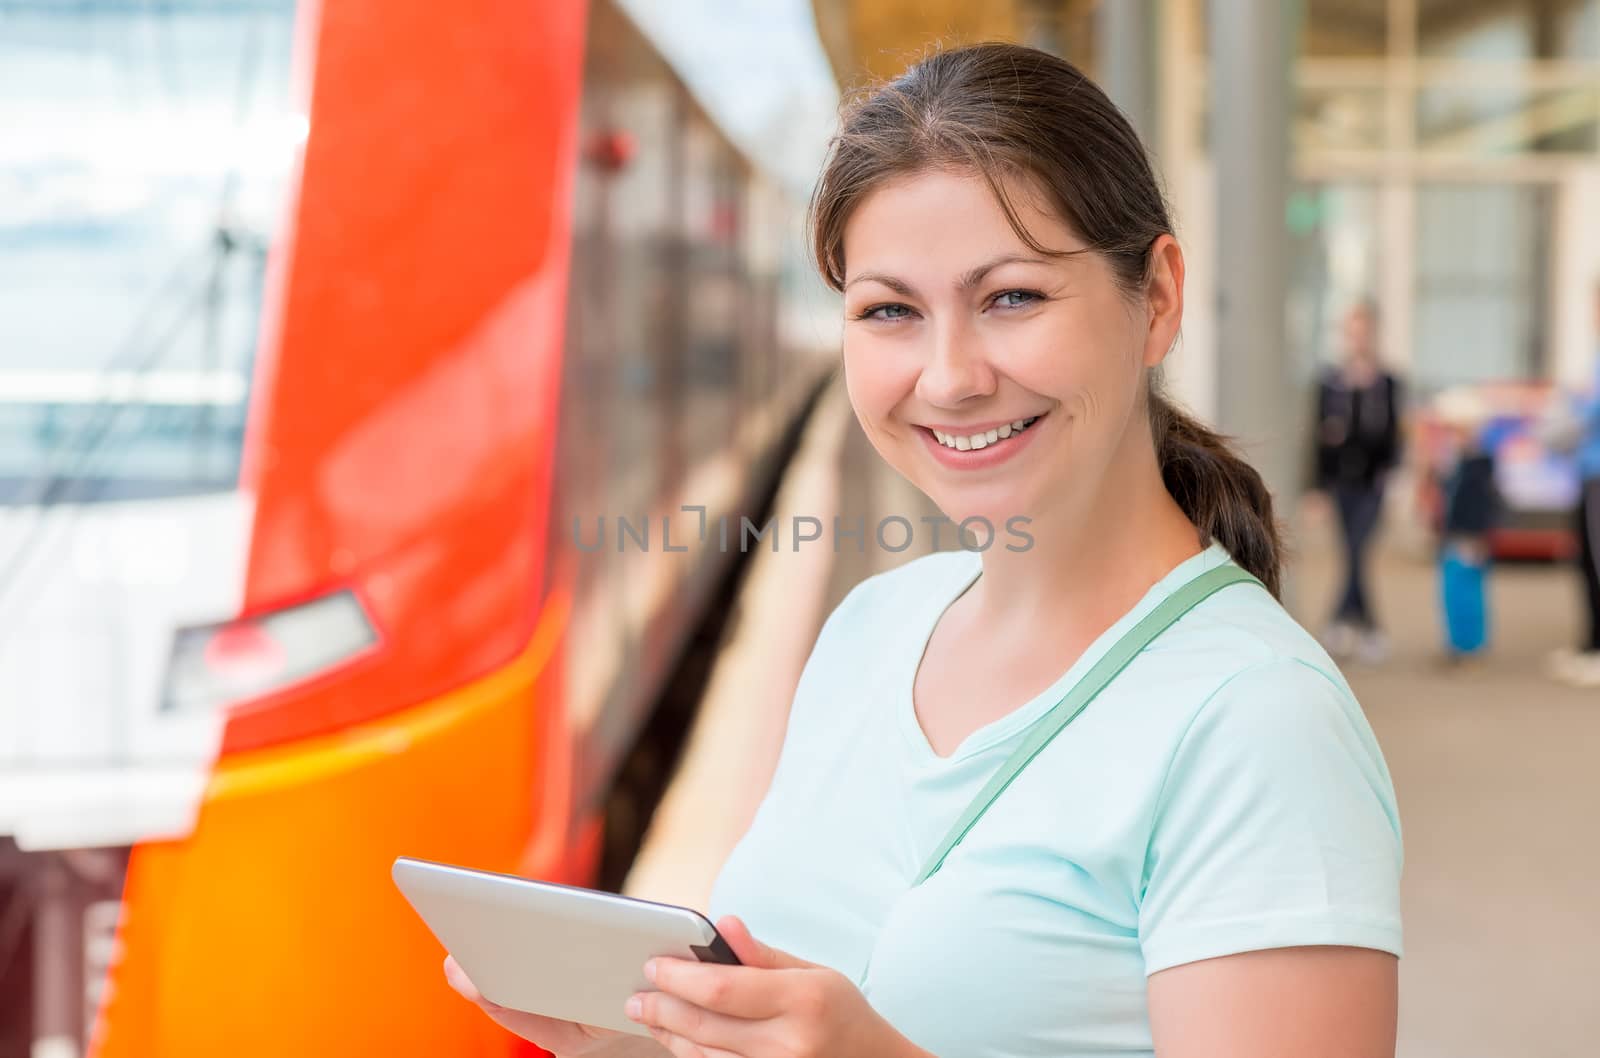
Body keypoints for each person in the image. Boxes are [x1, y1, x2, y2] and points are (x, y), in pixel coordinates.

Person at [447, 42, 1403, 1058]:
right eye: (890, 311)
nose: (947, 377)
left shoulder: (1261, 722)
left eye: (1011, 297)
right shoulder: (872, 630)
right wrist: (624, 1041)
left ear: (1156, 297)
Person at [1312, 301, 1404, 665]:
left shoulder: (1388, 383)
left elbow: (1394, 436)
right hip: (1339, 483)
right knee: (1352, 554)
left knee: (1357, 550)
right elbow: (1320, 439)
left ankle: (1340, 622)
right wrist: (1317, 488)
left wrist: (1394, 479)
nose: (1358, 338)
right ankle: (1368, 628)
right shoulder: (1331, 382)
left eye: (1364, 330)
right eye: (1352, 331)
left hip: (1373, 484)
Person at [1547, 280, 1600, 687]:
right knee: (1585, 563)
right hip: (1585, 472)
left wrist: (1576, 403)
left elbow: (1586, 407)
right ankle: (1588, 644)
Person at [1433, 388, 1500, 665]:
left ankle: (1471, 646)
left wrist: (1478, 537)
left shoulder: (1479, 467)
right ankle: (1457, 644)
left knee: (1468, 593)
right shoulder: (1458, 466)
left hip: (1469, 538)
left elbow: (1482, 507)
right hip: (1453, 537)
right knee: (1451, 592)